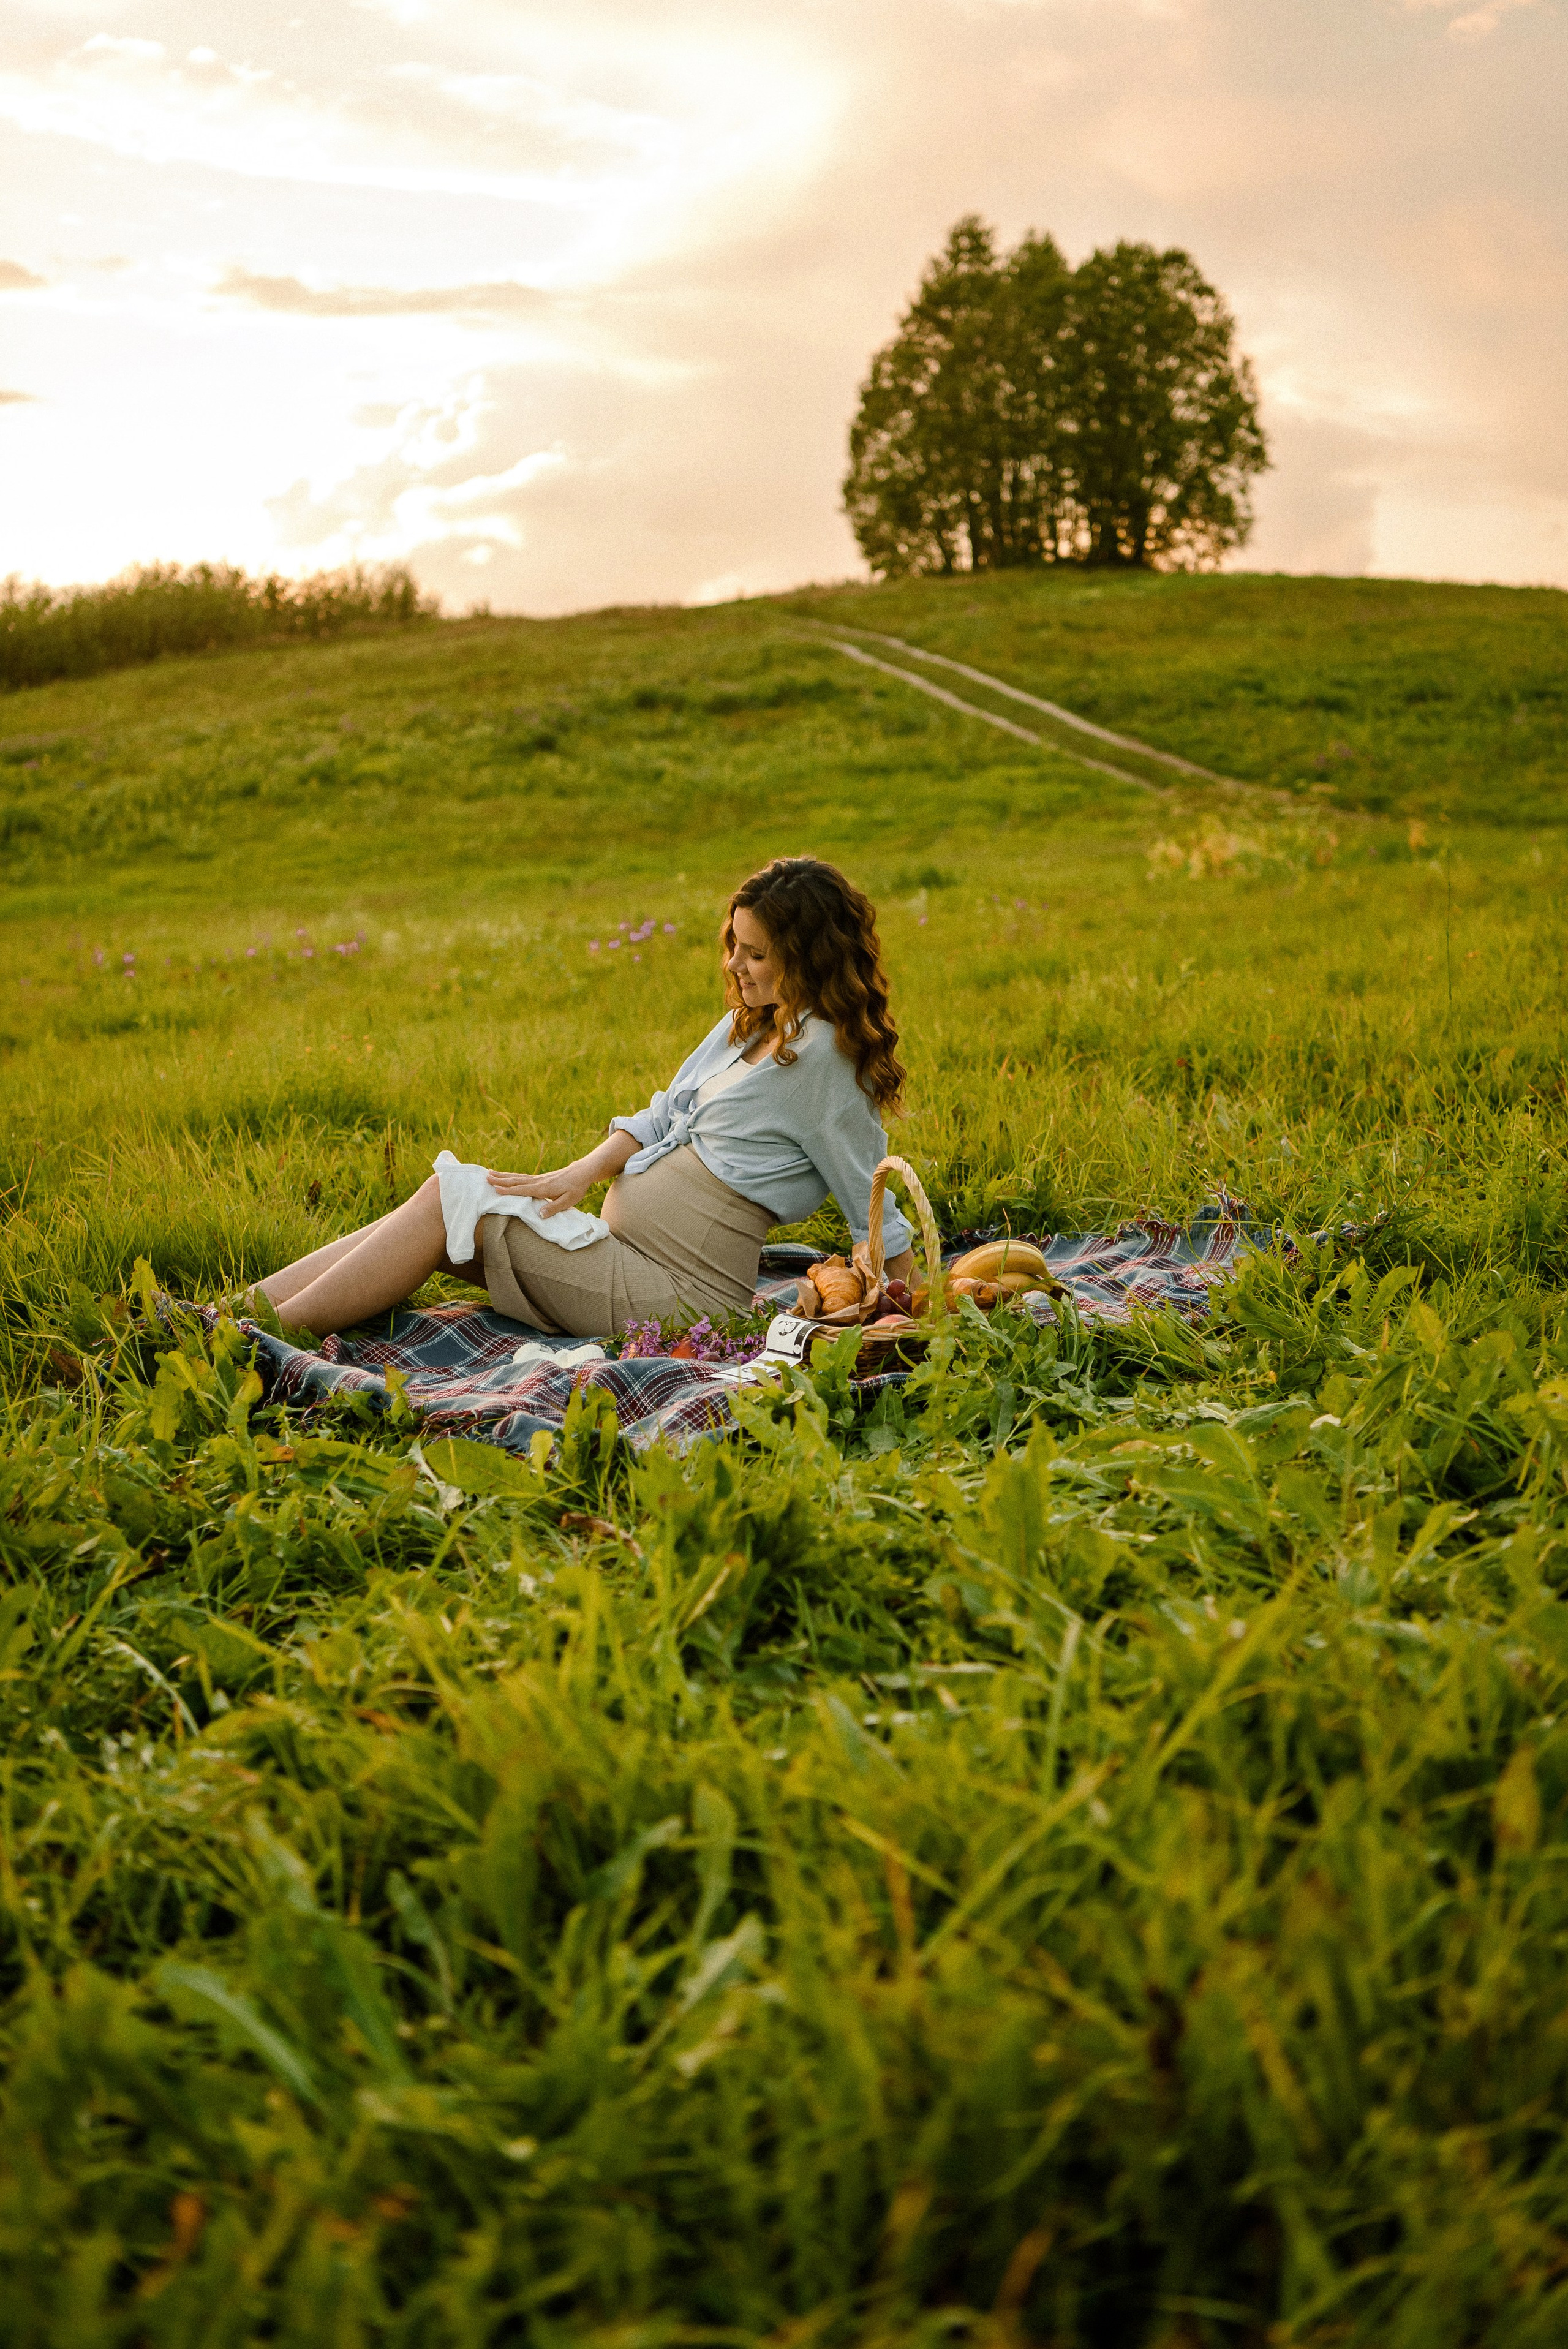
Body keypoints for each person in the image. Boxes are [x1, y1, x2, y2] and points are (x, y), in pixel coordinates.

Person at [249, 856, 916, 1341]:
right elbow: (661, 1114)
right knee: (454, 1202)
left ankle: (256, 1331)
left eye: (755, 953)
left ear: (807, 956)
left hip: (682, 1299)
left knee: (448, 1201)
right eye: (733, 946)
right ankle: (236, 1309)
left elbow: (873, 1200)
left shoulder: (825, 1060)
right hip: (625, 1259)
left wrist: (914, 1310)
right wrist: (577, 1175)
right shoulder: (758, 1021)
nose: (735, 966)